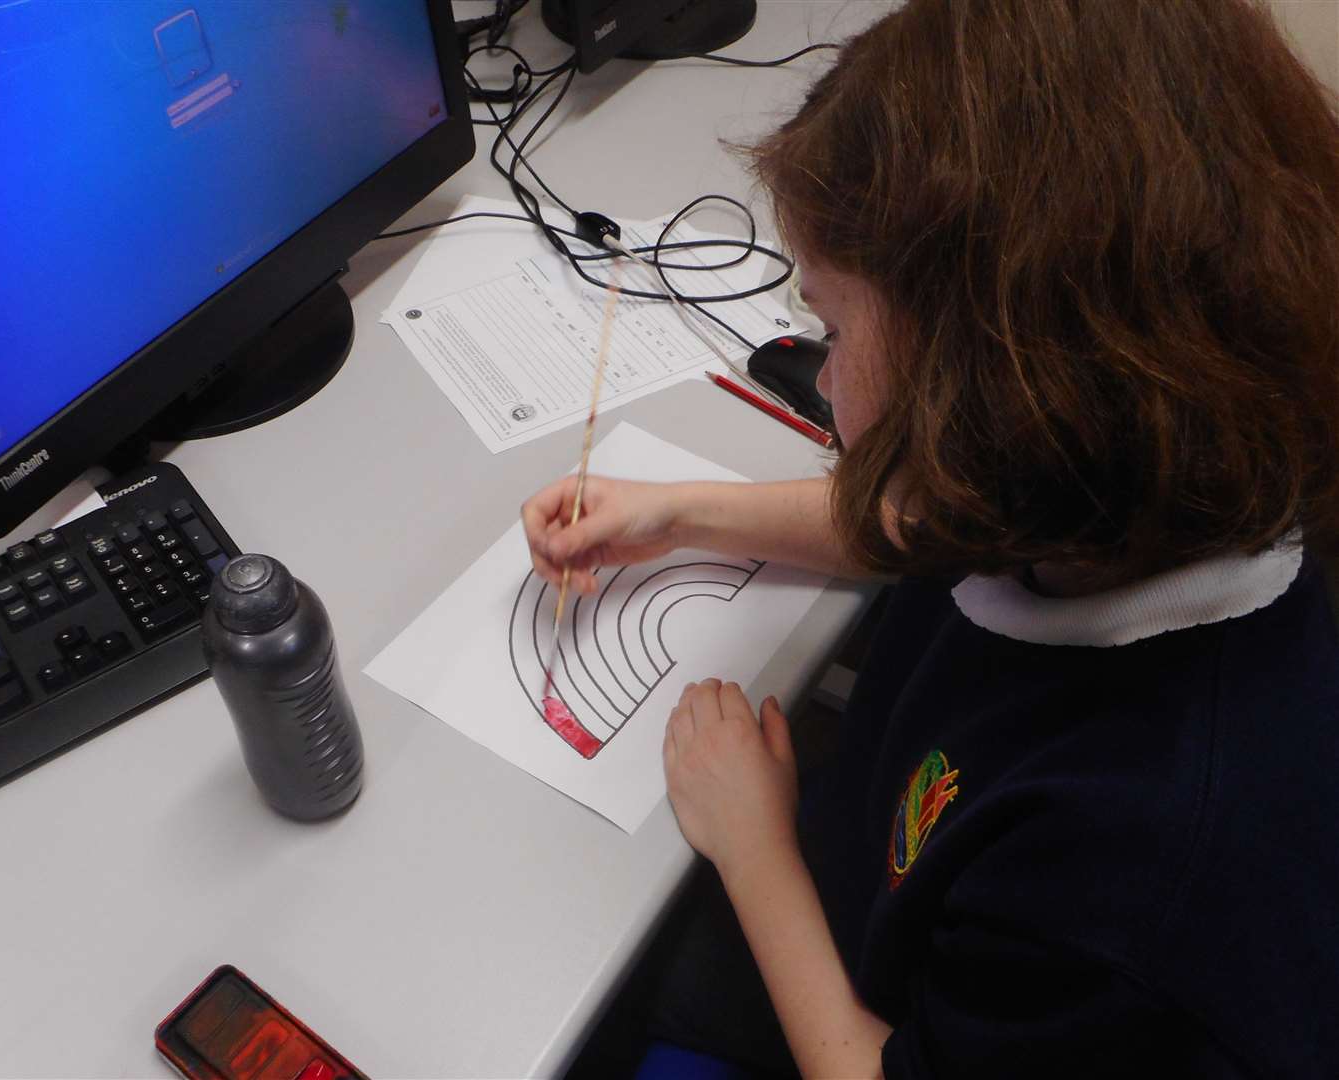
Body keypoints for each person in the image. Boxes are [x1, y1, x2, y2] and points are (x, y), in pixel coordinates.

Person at [523, 1, 1339, 1076]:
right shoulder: (1133, 481)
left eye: (833, 329)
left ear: (991, 400)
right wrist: (679, 512)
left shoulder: (1129, 885)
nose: (820, 375)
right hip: (894, 892)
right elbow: (920, 525)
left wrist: (754, 845)